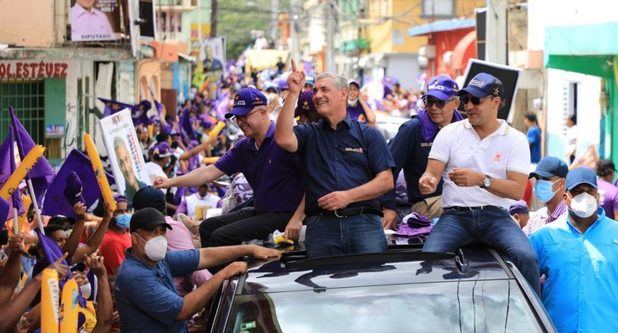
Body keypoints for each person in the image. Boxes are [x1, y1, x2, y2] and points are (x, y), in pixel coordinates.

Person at [418, 72, 540, 295]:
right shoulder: (449, 132)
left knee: (527, 257)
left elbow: (516, 190)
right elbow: (431, 173)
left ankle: (536, 322)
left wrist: (481, 180)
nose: (469, 106)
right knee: (428, 262)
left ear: (496, 102)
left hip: (496, 216)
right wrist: (428, 181)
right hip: (456, 216)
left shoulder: (515, 139)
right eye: (466, 100)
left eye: (476, 100)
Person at [155, 87, 304, 248]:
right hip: (261, 210)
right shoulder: (244, 146)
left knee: (222, 236)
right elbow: (209, 172)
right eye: (237, 118)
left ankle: (232, 272)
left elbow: (311, 181)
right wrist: (169, 182)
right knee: (206, 227)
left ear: (263, 112)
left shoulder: (285, 140)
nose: (240, 122)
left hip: (286, 214)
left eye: (245, 116)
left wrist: (298, 217)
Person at [275, 61, 395, 258]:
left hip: (364, 222)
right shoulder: (309, 133)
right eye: (314, 91)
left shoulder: (368, 134)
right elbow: (282, 138)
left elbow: (386, 181)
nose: (317, 95)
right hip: (322, 226)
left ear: (343, 93)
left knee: (370, 284)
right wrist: (294, 93)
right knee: (324, 286)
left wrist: (347, 197)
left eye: (324, 89)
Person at [114, 207, 280, 333]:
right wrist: (223, 274)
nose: (160, 238)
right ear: (135, 238)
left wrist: (249, 249)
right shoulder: (135, 276)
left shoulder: (158, 260)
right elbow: (182, 310)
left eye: (162, 232)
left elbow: (203, 256)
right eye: (153, 233)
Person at [529, 167, 618, 333]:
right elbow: (526, 281)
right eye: (578, 192)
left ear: (597, 196)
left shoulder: (617, 234)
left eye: (589, 191)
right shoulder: (544, 237)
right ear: (566, 198)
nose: (584, 196)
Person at [381, 75, 463, 229]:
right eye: (429, 101)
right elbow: (387, 170)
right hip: (427, 204)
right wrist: (389, 207)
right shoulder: (412, 129)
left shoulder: (466, 129)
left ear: (456, 103)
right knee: (461, 211)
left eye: (439, 102)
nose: (433, 107)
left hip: (462, 199)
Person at [522, 156, 569, 236]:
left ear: (561, 183)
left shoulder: (571, 218)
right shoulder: (535, 219)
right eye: (537, 178)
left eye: (545, 178)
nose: (539, 183)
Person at [99, 195, 132, 275]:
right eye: (119, 212)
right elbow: (122, 275)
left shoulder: (124, 233)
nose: (125, 215)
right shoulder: (113, 242)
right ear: (111, 214)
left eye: (127, 211)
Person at [114, 136, 145, 200]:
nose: (127, 169)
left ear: (130, 158)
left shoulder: (145, 186)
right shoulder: (124, 200)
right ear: (119, 166)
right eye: (121, 163)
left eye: (126, 159)